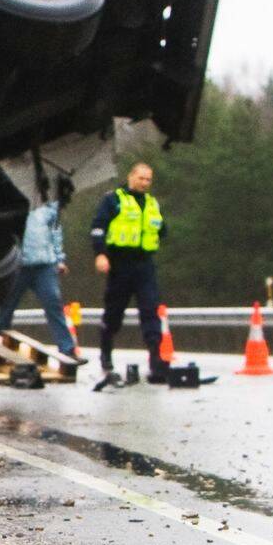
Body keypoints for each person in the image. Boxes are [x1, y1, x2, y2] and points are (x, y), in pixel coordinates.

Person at [0, 174, 83, 362]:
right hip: (18, 265)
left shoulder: (49, 208)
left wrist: (59, 259)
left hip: (44, 265)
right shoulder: (12, 207)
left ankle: (67, 350)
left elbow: (56, 233)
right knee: (5, 307)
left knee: (53, 304)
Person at [90, 161, 168, 381]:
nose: (144, 183)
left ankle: (155, 359)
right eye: (141, 178)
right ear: (131, 177)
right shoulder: (113, 199)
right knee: (114, 312)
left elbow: (162, 230)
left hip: (145, 265)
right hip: (120, 263)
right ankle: (106, 352)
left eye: (148, 180)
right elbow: (98, 228)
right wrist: (101, 254)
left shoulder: (153, 204)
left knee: (151, 310)